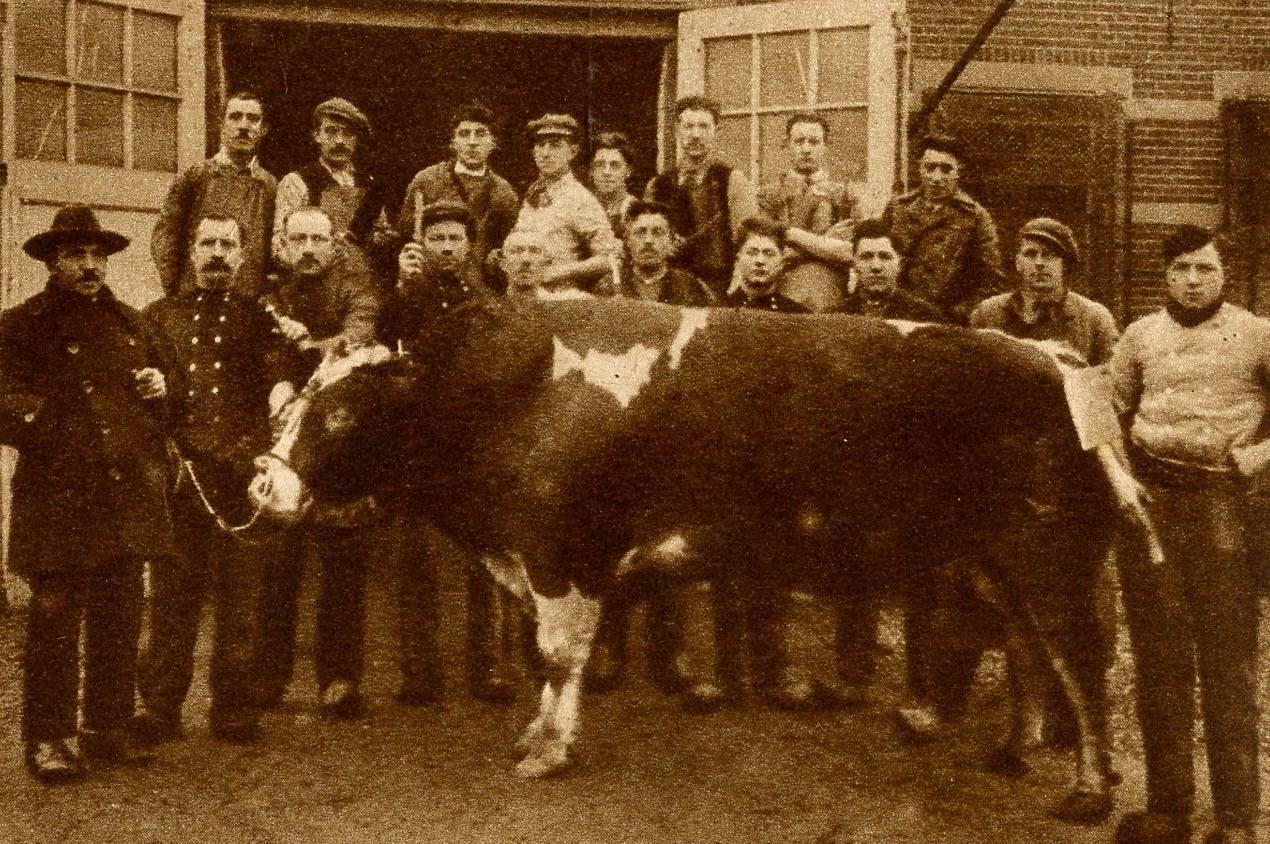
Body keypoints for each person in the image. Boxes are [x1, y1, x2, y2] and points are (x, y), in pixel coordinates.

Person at [1, 205, 173, 782]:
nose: (90, 265)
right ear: (52, 261)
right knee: (53, 621)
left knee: (119, 614)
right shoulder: (22, 325)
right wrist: (57, 421)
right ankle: (48, 738)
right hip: (58, 499)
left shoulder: (131, 324)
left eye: (98, 254)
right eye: (77, 254)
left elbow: (167, 402)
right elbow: (5, 403)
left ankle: (108, 727)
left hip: (122, 498)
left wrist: (158, 388)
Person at [1108, 225, 1266, 844]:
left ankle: (1236, 821)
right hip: (1153, 509)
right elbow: (1106, 410)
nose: (1192, 281)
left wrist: (1250, 462)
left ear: (1224, 274)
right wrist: (1122, 477)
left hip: (1223, 510)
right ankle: (1169, 810)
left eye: (1204, 269)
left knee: (1228, 665)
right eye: (1180, 269)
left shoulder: (1258, 335)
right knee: (1159, 663)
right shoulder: (1140, 334)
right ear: (1165, 274)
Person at [134, 215, 285, 747]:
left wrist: (277, 402)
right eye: (208, 243)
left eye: (228, 244)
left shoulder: (261, 319)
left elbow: (279, 385)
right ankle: (159, 707)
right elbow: (139, 398)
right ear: (191, 251)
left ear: (243, 255)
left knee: (243, 599)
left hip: (241, 481)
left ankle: (234, 708)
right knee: (174, 596)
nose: (217, 253)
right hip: (182, 479)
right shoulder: (156, 318)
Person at [379, 200, 519, 705]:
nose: (445, 247)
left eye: (454, 239)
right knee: (417, 562)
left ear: (469, 246)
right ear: (424, 244)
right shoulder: (401, 300)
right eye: (436, 238)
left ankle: (489, 668)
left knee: (483, 562)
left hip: (472, 447)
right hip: (419, 447)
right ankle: (420, 671)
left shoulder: (486, 301)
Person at [255, 206, 382, 719]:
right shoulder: (271, 295)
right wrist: (280, 385)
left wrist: (310, 343)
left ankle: (341, 678)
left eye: (317, 239)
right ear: (284, 245)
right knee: (278, 567)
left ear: (334, 245)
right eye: (298, 239)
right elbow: (262, 353)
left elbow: (359, 334)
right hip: (283, 438)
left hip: (339, 447)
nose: (308, 248)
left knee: (343, 567)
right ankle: (268, 678)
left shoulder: (356, 289)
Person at [152, 91, 276, 297]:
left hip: (247, 300)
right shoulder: (197, 176)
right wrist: (176, 292)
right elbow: (166, 236)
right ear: (222, 124)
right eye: (235, 117)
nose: (243, 126)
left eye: (253, 119)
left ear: (263, 129)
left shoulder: (269, 185)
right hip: (195, 295)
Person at [882, 133, 1007, 324]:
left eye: (946, 169)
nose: (936, 177)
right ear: (920, 169)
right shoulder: (898, 208)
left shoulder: (974, 216)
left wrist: (959, 314)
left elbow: (992, 281)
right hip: (897, 314)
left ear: (959, 172)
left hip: (946, 319)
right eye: (930, 168)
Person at [646, 95, 760, 298]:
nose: (696, 135)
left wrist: (734, 294)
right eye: (688, 127)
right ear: (677, 131)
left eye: (704, 127)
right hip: (668, 288)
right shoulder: (657, 186)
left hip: (719, 287)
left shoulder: (733, 181)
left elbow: (748, 244)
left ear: (717, 131)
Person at [971, 216, 1120, 365]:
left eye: (1049, 255)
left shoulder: (1093, 319)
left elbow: (1109, 380)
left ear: (1065, 264)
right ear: (1018, 262)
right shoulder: (988, 314)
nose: (1039, 263)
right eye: (1030, 254)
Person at [273, 98, 397, 273]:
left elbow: (379, 235)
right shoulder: (298, 181)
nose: (340, 141)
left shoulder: (369, 186)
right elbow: (279, 245)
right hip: (313, 281)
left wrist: (382, 239)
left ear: (356, 138)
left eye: (348, 133)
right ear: (317, 135)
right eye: (331, 131)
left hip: (361, 284)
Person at [395, 102, 519, 277]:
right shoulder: (427, 180)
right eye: (464, 134)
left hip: (479, 283)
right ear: (453, 143)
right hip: (431, 278)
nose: (472, 142)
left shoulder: (504, 192)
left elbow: (509, 246)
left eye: (480, 134)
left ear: (493, 142)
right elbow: (406, 235)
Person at [510, 113, 621, 294]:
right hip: (525, 295)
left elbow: (610, 258)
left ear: (572, 151)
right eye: (540, 145)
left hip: (561, 298)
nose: (545, 153)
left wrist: (556, 273)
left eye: (555, 145)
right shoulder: (533, 194)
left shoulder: (579, 199)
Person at [757, 111, 857, 311]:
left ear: (825, 146)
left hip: (831, 287)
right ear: (787, 145)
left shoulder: (845, 194)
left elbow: (849, 252)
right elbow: (768, 255)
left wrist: (791, 239)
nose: (806, 149)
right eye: (799, 141)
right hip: (781, 285)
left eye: (814, 142)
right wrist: (824, 243)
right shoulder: (768, 194)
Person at [836, 218, 942, 321]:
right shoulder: (837, 317)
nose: (876, 266)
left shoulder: (925, 316)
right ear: (854, 264)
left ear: (900, 264)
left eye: (885, 257)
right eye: (866, 257)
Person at [614, 200, 716, 306]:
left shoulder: (691, 288)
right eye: (640, 232)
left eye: (658, 233)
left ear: (671, 241)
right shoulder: (611, 285)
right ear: (627, 240)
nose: (648, 240)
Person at [725, 217, 809, 313]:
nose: (760, 261)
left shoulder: (797, 314)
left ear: (782, 261)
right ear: (738, 259)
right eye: (752, 253)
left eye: (769, 254)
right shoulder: (721, 310)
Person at [588, 131, 639, 240]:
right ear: (591, 171)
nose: (606, 172)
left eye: (614, 165)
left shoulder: (636, 210)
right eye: (600, 165)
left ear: (628, 171)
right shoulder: (583, 206)